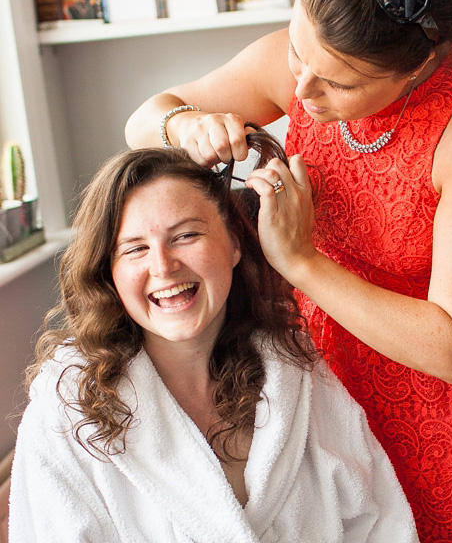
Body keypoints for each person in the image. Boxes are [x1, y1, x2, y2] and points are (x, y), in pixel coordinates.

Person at [124, 0, 452, 541]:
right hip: (316, 400)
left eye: (338, 82)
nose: (302, 91)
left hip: (441, 419)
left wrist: (300, 262)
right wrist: (186, 126)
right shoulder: (291, 68)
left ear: (414, 70)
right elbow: (146, 118)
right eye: (299, 53)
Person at [7, 138, 418, 542]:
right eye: (134, 249)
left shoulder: (297, 373)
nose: (163, 266)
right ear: (108, 272)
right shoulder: (66, 413)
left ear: (234, 244)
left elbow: (380, 520)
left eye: (185, 235)